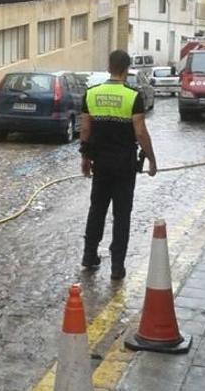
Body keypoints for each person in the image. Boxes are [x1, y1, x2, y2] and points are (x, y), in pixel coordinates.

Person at [79, 50, 157, 281]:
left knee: (97, 209)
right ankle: (117, 266)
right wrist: (152, 158)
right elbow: (140, 132)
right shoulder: (133, 97)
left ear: (108, 67)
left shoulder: (91, 94)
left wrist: (85, 158)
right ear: (126, 69)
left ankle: (89, 255)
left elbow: (85, 130)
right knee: (122, 215)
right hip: (124, 165)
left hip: (100, 164)